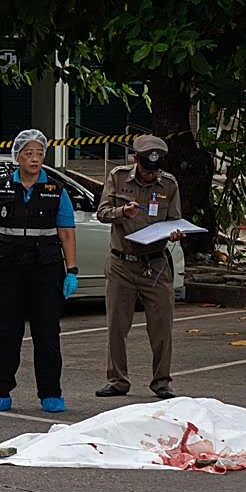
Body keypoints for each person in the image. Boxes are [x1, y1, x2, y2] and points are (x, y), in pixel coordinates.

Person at [0, 129, 78, 413]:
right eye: (29, 153)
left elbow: (67, 232)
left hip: (45, 272)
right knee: (7, 334)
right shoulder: (1, 188)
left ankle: (51, 393)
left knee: (47, 334)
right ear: (17, 156)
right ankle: (1, 391)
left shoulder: (56, 190)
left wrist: (72, 270)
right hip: (7, 271)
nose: (35, 159)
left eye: (40, 154)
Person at [95, 135, 184, 399]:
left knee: (162, 326)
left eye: (153, 171)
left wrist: (175, 233)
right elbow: (101, 212)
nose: (149, 176)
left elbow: (174, 219)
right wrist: (122, 212)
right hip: (122, 261)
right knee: (116, 325)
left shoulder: (168, 183)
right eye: (145, 171)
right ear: (136, 161)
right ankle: (117, 380)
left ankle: (162, 382)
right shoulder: (118, 176)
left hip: (155, 264)